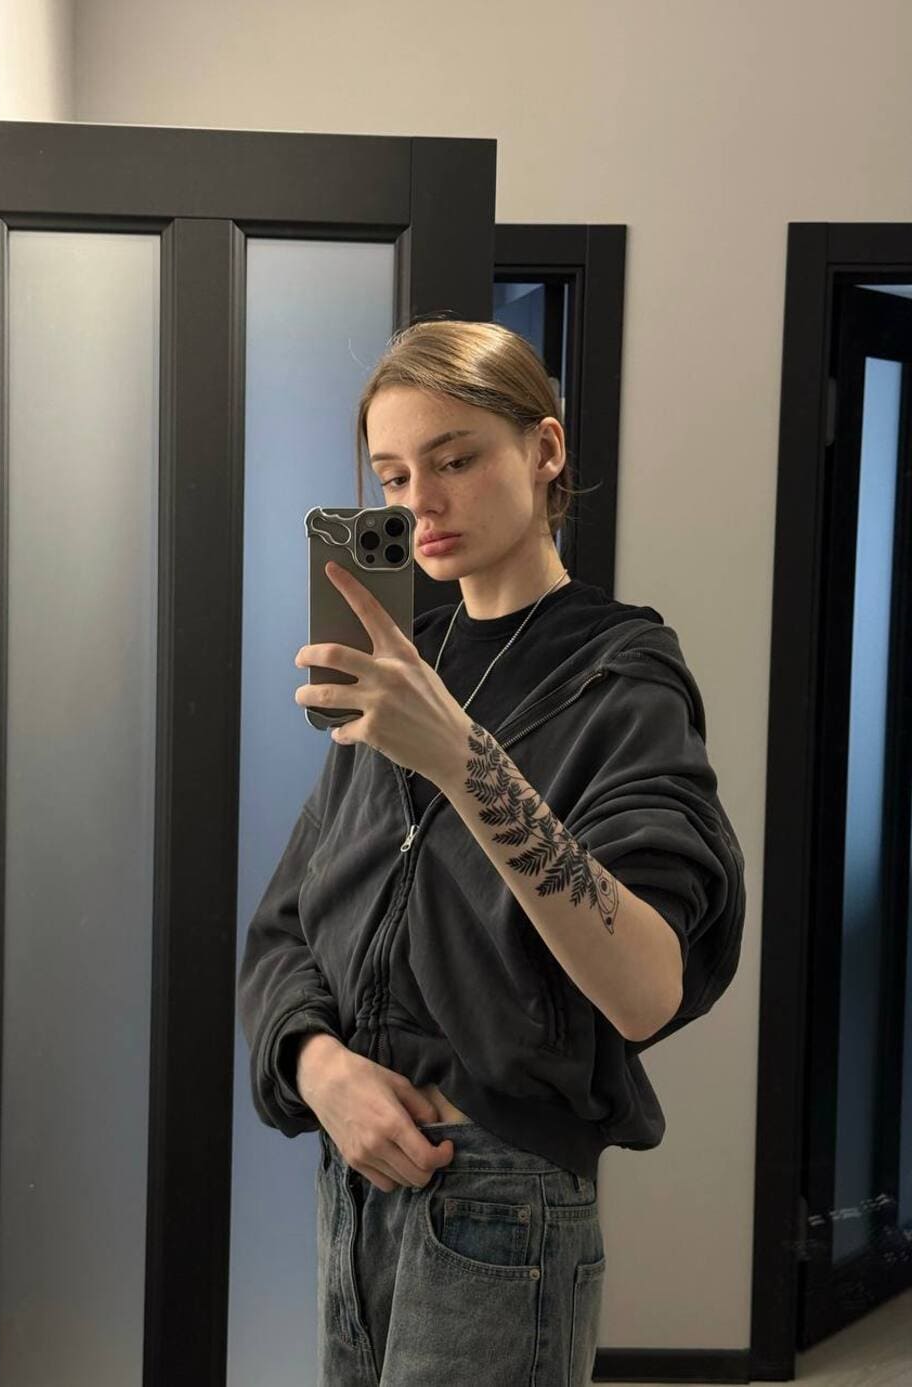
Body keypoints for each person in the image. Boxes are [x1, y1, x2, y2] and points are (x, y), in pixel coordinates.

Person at [237, 318, 746, 1386]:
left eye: (455, 459)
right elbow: (287, 925)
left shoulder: (619, 677)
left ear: (544, 449)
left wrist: (462, 759)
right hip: (352, 1184)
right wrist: (318, 1067)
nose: (418, 501)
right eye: (392, 475)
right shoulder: (401, 668)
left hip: (499, 1207)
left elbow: (647, 987)